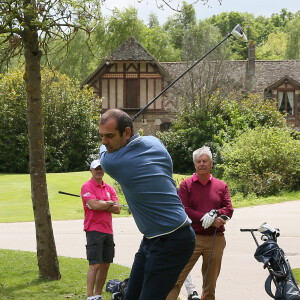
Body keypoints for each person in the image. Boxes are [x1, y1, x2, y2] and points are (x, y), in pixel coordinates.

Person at [98, 108, 195, 300]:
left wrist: (108, 146)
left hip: (174, 240)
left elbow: (102, 155)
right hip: (152, 238)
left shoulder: (114, 163)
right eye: (101, 136)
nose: (104, 142)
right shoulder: (155, 143)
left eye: (109, 136)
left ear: (126, 132)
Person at [167, 146, 234, 300]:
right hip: (191, 238)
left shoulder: (221, 186)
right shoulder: (186, 185)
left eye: (205, 161)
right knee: (176, 279)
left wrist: (216, 214)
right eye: (199, 161)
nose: (202, 164)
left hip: (216, 239)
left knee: (209, 286)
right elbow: (183, 209)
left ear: (211, 164)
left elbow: (228, 209)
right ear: (195, 164)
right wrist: (207, 219)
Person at [81, 159, 121, 300]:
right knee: (95, 264)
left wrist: (102, 203)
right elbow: (93, 205)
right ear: (91, 171)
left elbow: (118, 209)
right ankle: (90, 296)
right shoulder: (87, 187)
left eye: (101, 169)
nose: (99, 171)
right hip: (93, 229)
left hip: (108, 230)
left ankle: (98, 295)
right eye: (96, 169)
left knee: (105, 264)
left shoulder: (109, 188)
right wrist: (108, 204)